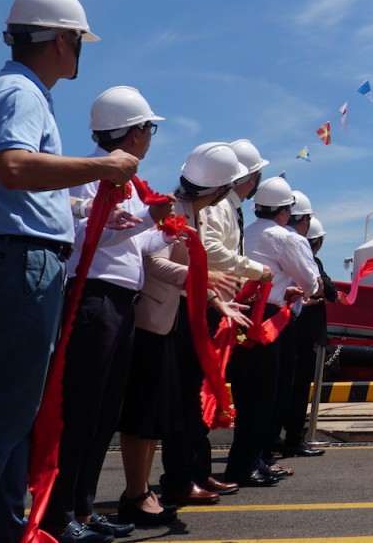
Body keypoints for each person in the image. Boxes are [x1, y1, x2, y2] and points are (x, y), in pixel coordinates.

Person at [0, 0, 138, 543]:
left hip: (11, 260)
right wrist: (102, 169)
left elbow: (19, 181)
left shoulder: (11, 91)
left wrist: (74, 201)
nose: (80, 52)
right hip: (21, 263)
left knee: (11, 415)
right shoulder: (22, 94)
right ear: (60, 41)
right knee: (4, 414)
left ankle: (3, 530)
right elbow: (16, 167)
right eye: (79, 41)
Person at [42, 87, 173, 543]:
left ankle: (83, 507)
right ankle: (61, 515)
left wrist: (168, 229)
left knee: (103, 413)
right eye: (148, 129)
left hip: (119, 302)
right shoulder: (88, 176)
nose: (150, 137)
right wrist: (148, 221)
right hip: (93, 298)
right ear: (134, 133)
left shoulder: (130, 183)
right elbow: (85, 238)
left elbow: (137, 245)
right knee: (81, 411)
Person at [117, 143, 250, 526]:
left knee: (163, 412)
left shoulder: (191, 211)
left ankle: (147, 488)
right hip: (156, 320)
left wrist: (211, 298)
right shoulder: (176, 213)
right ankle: (141, 491)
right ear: (220, 190)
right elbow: (151, 259)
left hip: (174, 319)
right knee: (147, 413)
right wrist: (199, 283)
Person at [159, 138, 273, 504]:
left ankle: (196, 471)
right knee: (187, 397)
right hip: (185, 310)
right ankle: (181, 476)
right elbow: (192, 257)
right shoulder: (190, 209)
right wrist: (230, 279)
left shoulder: (199, 208)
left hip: (207, 304)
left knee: (196, 393)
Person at [223, 177, 317, 487]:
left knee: (248, 395)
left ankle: (253, 460)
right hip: (270, 319)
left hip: (240, 313)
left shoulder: (244, 232)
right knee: (264, 397)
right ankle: (248, 463)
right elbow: (311, 280)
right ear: (284, 211)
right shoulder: (285, 237)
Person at [281, 215, 338, 457]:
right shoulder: (311, 263)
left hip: (286, 332)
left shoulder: (286, 259)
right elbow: (329, 291)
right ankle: (294, 439)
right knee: (298, 389)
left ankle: (276, 439)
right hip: (301, 336)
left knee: (283, 389)